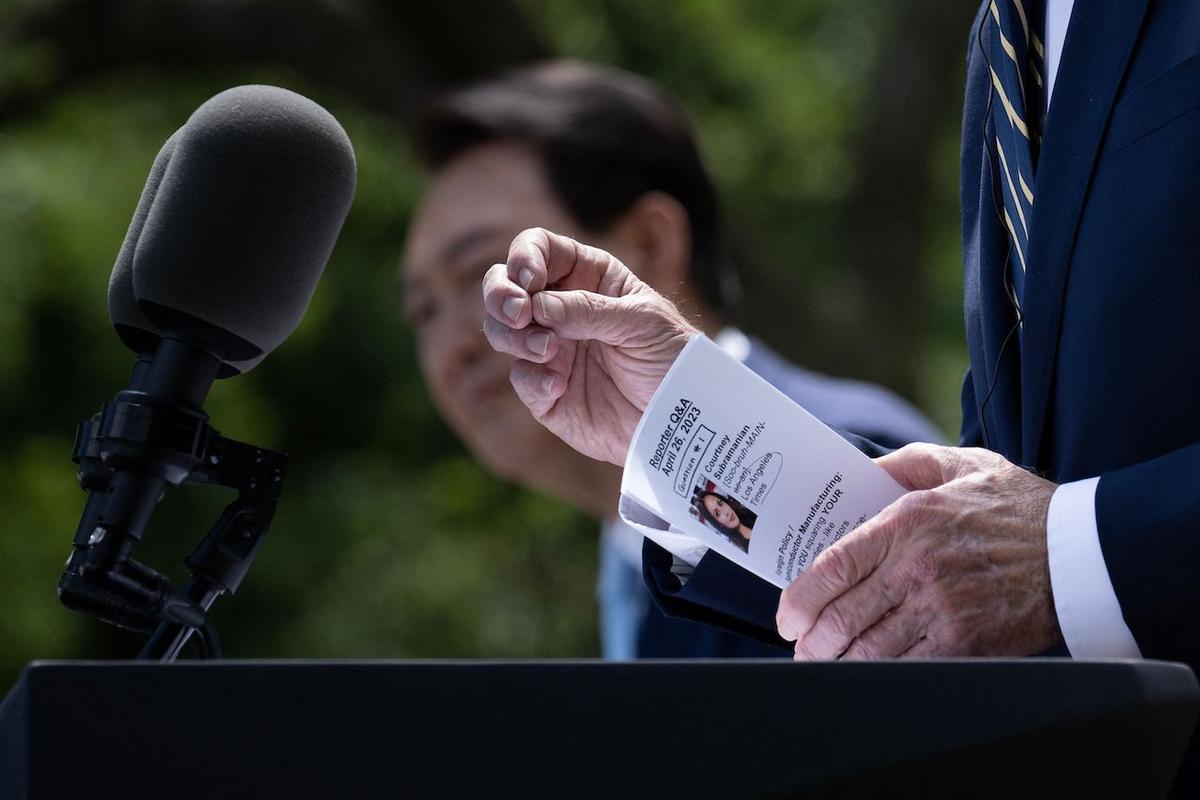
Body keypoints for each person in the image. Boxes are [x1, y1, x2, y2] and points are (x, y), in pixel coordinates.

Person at [481, 0, 1200, 674]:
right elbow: (985, 529)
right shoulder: (1005, 37)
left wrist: (1065, 550)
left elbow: (1034, 542)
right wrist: (684, 425)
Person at [400, 60, 943, 659]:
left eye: (494, 272)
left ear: (650, 245)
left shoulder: (860, 462)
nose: (452, 347)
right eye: (423, 311)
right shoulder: (638, 552)